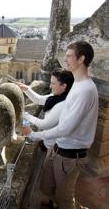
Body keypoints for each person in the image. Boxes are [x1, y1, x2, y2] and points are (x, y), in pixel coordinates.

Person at [22, 41, 99, 209]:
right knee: (47, 186)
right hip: (59, 148)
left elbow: (65, 128)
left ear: (81, 59)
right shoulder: (77, 85)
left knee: (65, 197)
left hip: (70, 155)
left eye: (69, 56)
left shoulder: (85, 90)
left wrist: (34, 135)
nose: (65, 59)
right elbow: (49, 101)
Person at [18, 68, 74, 149]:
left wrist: (25, 115)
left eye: (53, 84)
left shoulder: (63, 104)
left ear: (64, 86)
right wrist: (26, 89)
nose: (50, 86)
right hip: (50, 144)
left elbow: (44, 124)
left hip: (56, 148)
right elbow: (39, 99)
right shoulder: (57, 96)